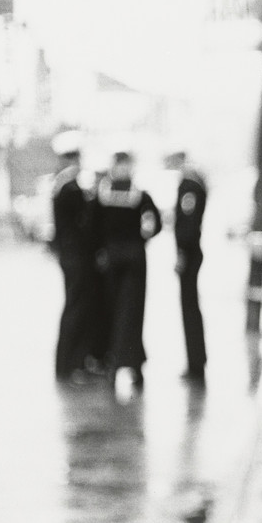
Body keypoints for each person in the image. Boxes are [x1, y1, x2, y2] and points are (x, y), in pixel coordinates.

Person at [92, 150, 162, 402]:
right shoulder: (140, 195)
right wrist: (141, 239)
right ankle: (132, 362)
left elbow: (92, 227)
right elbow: (155, 224)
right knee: (132, 311)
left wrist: (102, 250)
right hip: (133, 259)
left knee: (113, 311)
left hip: (112, 259)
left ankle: (114, 360)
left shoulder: (102, 195)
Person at [51, 129, 98, 384]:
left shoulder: (60, 185)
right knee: (77, 309)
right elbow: (85, 225)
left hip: (69, 255)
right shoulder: (71, 188)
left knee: (74, 306)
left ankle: (67, 364)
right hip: (77, 256)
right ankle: (72, 364)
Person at [172, 153, 207, 382]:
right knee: (191, 307)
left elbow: (187, 225)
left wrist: (181, 253)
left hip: (190, 254)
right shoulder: (195, 182)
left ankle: (196, 362)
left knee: (189, 308)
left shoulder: (189, 185)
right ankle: (196, 359)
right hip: (192, 253)